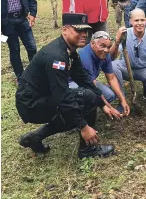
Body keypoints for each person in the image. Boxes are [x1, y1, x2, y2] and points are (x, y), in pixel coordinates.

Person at [16, 13, 117, 159]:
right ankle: (87, 150)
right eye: (78, 30)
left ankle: (36, 137)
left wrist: (102, 103)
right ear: (64, 30)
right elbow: (62, 96)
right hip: (30, 104)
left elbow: (84, 79)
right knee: (84, 99)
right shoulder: (56, 56)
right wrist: (84, 126)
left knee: (87, 97)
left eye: (85, 31)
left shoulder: (69, 51)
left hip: (43, 97)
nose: (83, 35)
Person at [111, 8, 146, 102]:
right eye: (136, 20)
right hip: (127, 68)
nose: (140, 23)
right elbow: (111, 57)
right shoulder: (125, 34)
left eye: (142, 20)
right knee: (112, 66)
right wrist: (117, 41)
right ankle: (121, 97)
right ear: (131, 21)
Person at [70, 30, 130, 115]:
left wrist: (123, 100)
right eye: (102, 46)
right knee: (88, 95)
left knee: (110, 95)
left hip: (90, 82)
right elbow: (92, 85)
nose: (106, 50)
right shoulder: (85, 57)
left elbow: (111, 78)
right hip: (72, 83)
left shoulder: (105, 54)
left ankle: (93, 105)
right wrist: (109, 107)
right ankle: (77, 114)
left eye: (108, 47)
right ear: (92, 44)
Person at [1, 0, 37, 83]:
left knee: (32, 47)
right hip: (7, 22)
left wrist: (32, 13)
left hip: (22, 19)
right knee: (14, 50)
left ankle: (35, 74)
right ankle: (21, 78)